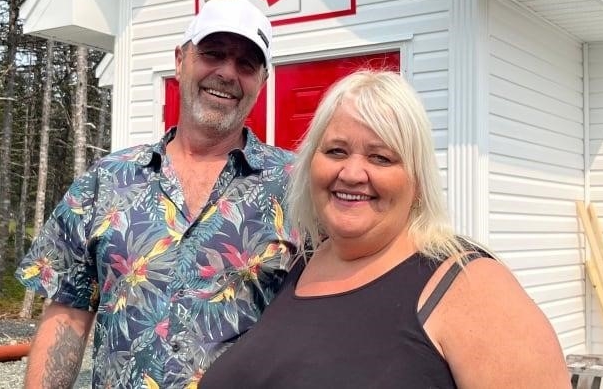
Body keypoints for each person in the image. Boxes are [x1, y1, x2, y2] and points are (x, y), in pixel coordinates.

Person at [199, 70, 571, 388]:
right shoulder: (302, 263)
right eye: (336, 152)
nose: (352, 174)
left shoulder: (469, 286)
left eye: (381, 157)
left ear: (417, 180)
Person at [16, 0, 299, 388]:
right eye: (213, 54)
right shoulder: (107, 180)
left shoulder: (297, 185)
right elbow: (68, 309)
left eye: (246, 64)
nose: (227, 73)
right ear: (180, 60)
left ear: (262, 82)